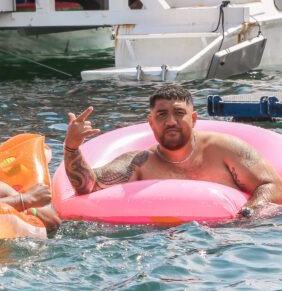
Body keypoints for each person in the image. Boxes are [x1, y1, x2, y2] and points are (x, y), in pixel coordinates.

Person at [63, 84, 282, 217]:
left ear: (194, 118)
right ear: (151, 123)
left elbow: (273, 186)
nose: (171, 122)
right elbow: (88, 187)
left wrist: (251, 210)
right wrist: (72, 147)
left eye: (179, 113)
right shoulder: (140, 162)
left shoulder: (225, 150)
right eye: (162, 115)